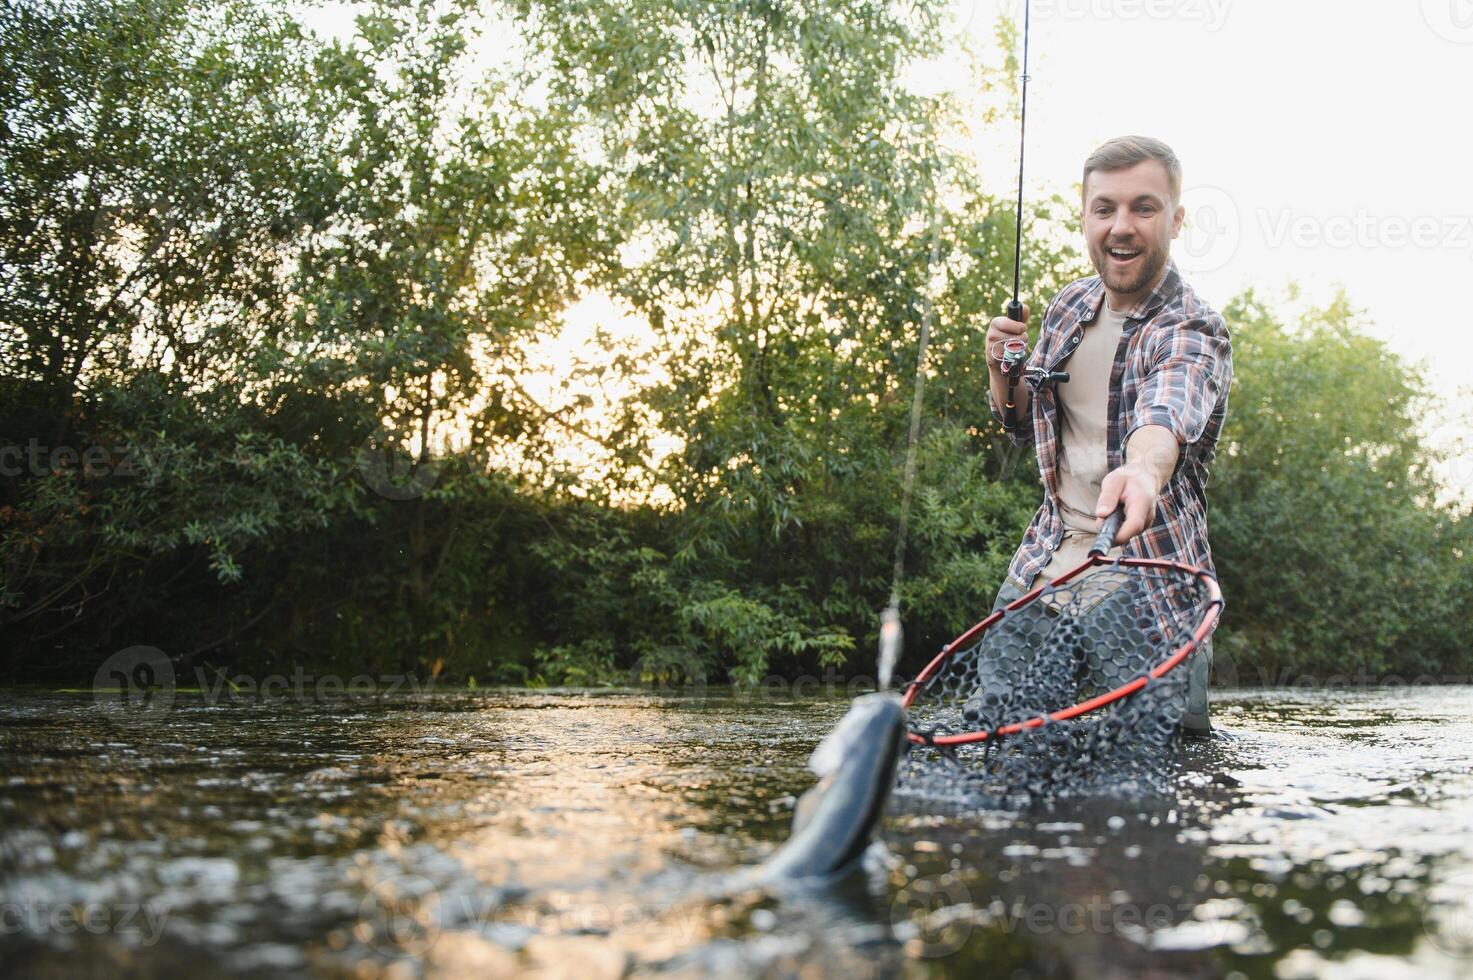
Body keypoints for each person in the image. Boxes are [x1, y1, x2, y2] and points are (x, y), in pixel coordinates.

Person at [984, 135, 1232, 737]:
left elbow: (1168, 405)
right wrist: (1000, 373)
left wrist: (1144, 472)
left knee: (1157, 775)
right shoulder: (1068, 305)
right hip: (1042, 568)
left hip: (1147, 589)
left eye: (1143, 208)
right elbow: (1021, 424)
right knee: (993, 739)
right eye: (1106, 209)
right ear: (1085, 217)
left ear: (1176, 219)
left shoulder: (1193, 326)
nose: (1122, 227)